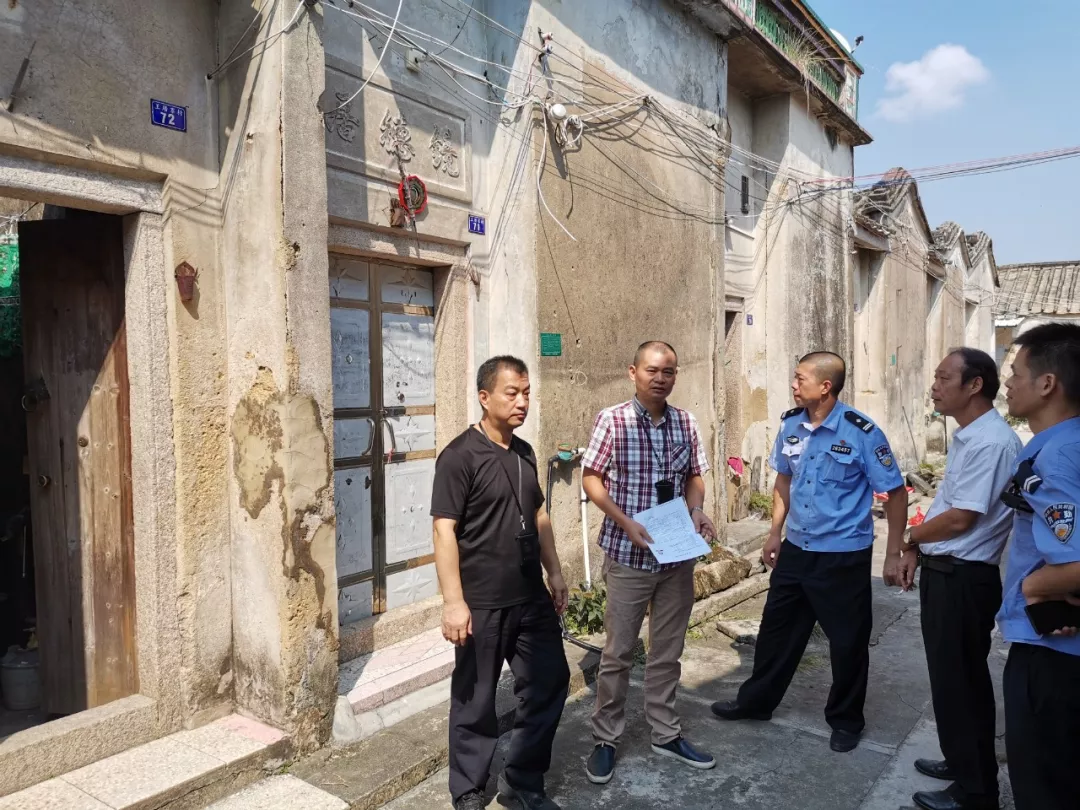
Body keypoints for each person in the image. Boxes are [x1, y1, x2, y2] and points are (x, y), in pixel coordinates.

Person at [712, 351, 908, 753]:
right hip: (797, 549)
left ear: (825, 386)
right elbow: (784, 481)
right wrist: (774, 532)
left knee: (847, 642)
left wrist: (894, 552)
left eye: (800, 378)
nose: (793, 384)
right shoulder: (791, 425)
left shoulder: (862, 432)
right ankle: (756, 703)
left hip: (843, 555)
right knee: (776, 631)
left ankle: (846, 720)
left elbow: (896, 492)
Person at [431, 356, 571, 810]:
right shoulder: (459, 456)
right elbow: (444, 529)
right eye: (512, 393)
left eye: (526, 393)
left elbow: (539, 515)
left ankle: (522, 780)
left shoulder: (525, 452)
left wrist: (555, 572)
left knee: (550, 679)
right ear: (484, 396)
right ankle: (468, 789)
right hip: (482, 601)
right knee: (474, 698)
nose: (522, 402)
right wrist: (453, 602)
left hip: (530, 595)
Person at [582, 341, 718, 786]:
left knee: (667, 651)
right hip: (629, 555)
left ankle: (665, 733)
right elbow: (591, 478)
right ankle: (605, 739)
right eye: (652, 370)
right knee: (618, 652)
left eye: (669, 372)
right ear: (633, 372)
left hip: (675, 557)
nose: (660, 378)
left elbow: (694, 476)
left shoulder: (685, 422)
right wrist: (625, 521)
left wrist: (696, 510)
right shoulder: (612, 420)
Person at [901, 349, 1021, 810]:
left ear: (974, 385)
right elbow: (949, 507)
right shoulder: (971, 436)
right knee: (951, 680)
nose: (934, 387)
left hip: (964, 578)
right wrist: (917, 547)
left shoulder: (991, 442)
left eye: (943, 378)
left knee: (962, 684)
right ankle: (962, 761)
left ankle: (976, 792)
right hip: (948, 572)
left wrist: (909, 537)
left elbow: (960, 518)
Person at [994, 322, 1080, 810]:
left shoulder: (1056, 458)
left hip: (1053, 653)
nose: (1008, 383)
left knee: (1043, 785)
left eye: (1016, 373)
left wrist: (1036, 586)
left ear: (1047, 384)